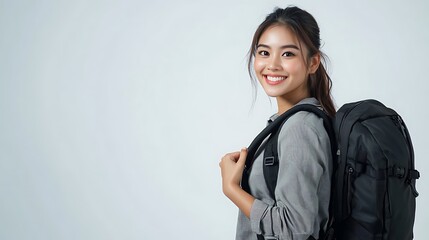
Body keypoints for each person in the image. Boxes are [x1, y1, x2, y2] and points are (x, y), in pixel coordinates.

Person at [219, 6, 335, 240]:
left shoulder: (300, 128)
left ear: (313, 63)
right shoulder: (292, 122)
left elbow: (295, 229)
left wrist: (232, 189)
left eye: (288, 54)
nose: (272, 65)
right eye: (264, 52)